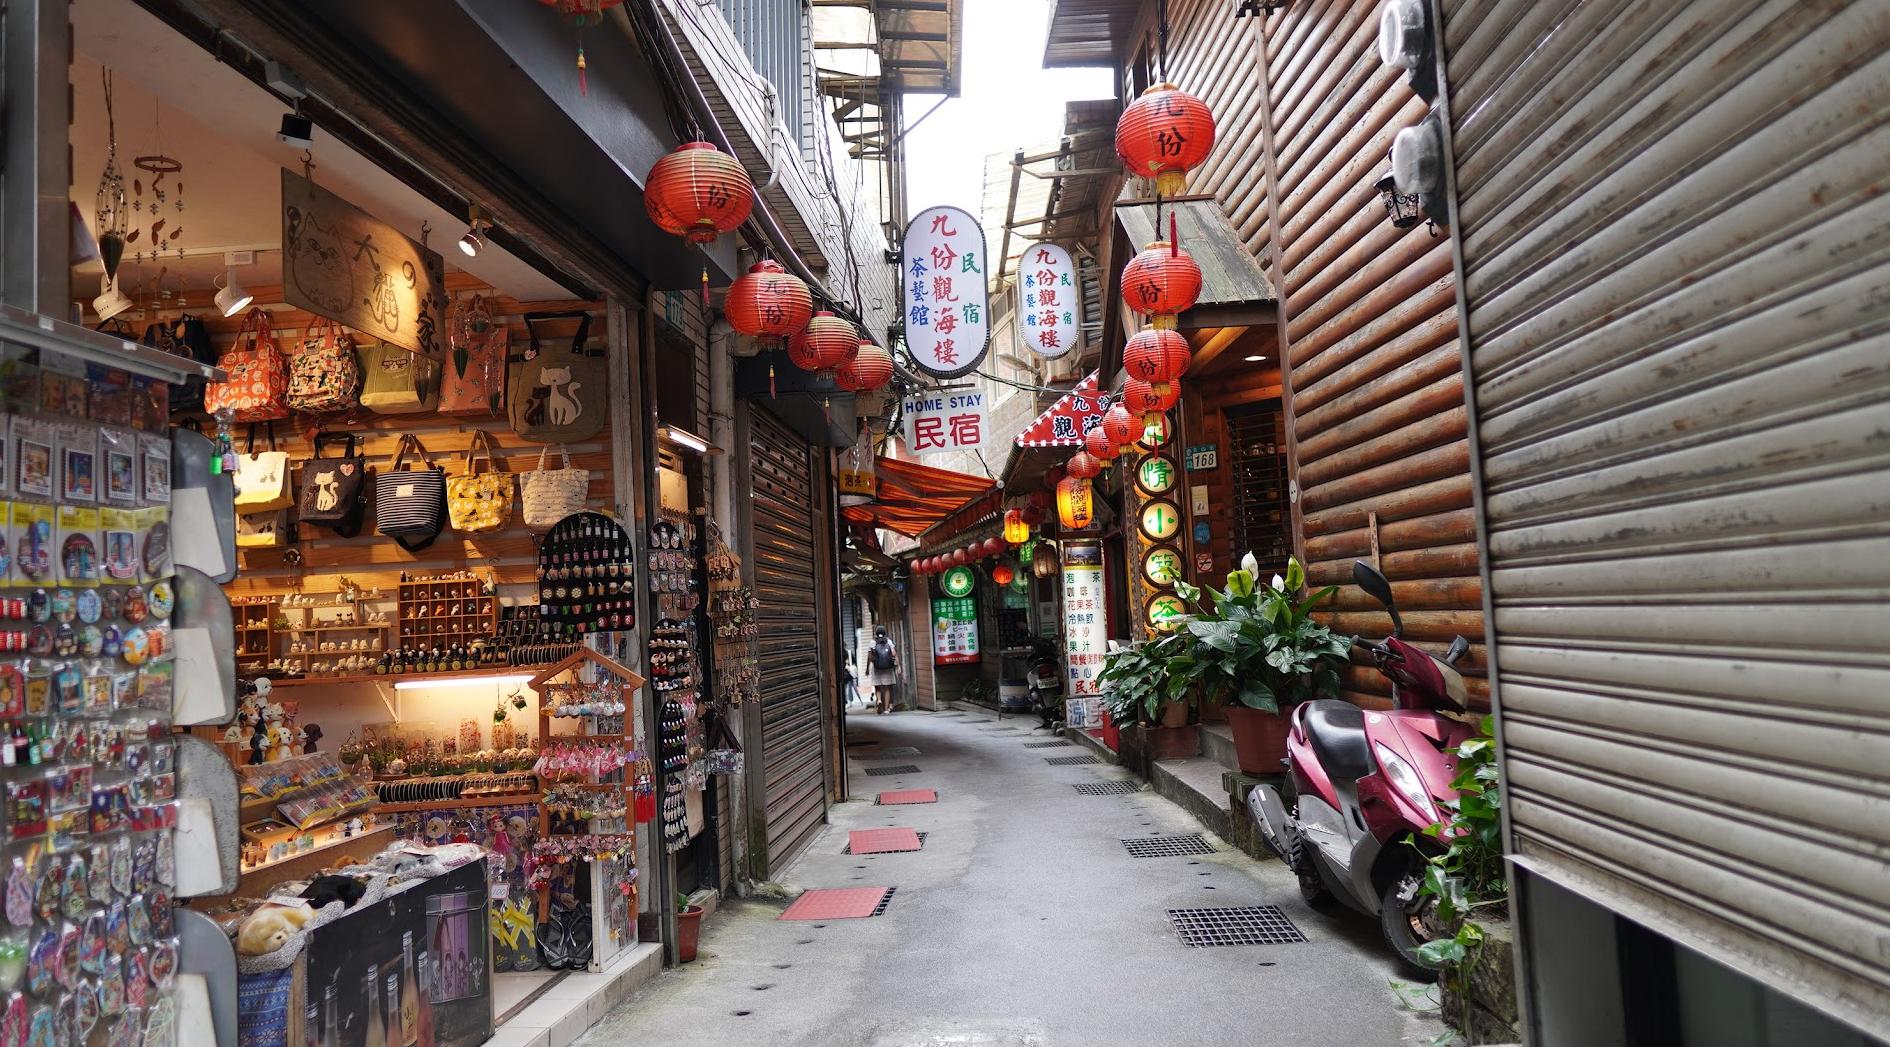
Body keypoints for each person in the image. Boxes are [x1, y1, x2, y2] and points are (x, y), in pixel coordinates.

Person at [869, 626, 899, 714]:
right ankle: (886, 709)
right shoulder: (888, 641)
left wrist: (870, 665)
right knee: (887, 688)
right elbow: (893, 653)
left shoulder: (873, 642)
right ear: (885, 632)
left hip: (876, 668)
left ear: (876, 633)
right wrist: (898, 665)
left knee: (877, 686)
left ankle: (878, 700)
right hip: (888, 668)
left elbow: (870, 656)